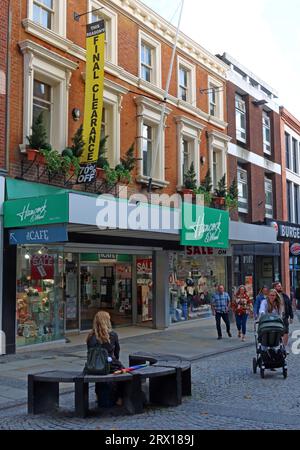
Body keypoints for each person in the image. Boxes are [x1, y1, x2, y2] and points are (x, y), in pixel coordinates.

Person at [86, 311, 124, 407]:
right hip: (110, 365)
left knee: (99, 371)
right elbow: (117, 353)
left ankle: (98, 395)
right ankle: (120, 397)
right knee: (123, 371)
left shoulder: (90, 337)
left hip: (93, 366)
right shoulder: (112, 335)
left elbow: (89, 353)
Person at [273, 282, 294, 347]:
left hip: (284, 316)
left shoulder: (285, 296)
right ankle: (277, 344)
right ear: (275, 287)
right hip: (275, 317)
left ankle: (284, 346)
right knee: (277, 331)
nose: (280, 287)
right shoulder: (272, 296)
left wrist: (291, 317)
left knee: (286, 331)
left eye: (280, 286)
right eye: (278, 286)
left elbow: (289, 306)